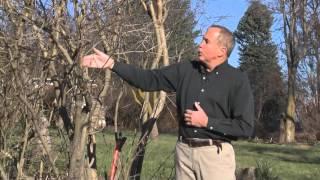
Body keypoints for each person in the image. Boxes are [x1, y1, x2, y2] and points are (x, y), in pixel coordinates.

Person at [81, 24, 254, 180]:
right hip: (184, 153)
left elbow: (244, 127)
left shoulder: (237, 80)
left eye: (206, 41)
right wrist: (112, 64)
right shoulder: (187, 69)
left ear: (221, 51)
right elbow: (147, 79)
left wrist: (207, 122)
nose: (200, 44)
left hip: (215, 158)